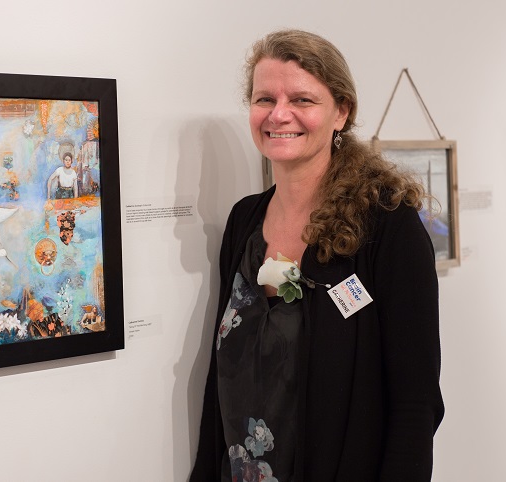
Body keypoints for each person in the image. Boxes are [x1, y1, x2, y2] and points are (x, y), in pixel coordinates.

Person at [190, 29, 444, 482]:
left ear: (341, 113)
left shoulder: (387, 226)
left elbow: (415, 403)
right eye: (264, 98)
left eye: (303, 100)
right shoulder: (244, 222)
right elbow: (219, 382)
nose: (279, 114)